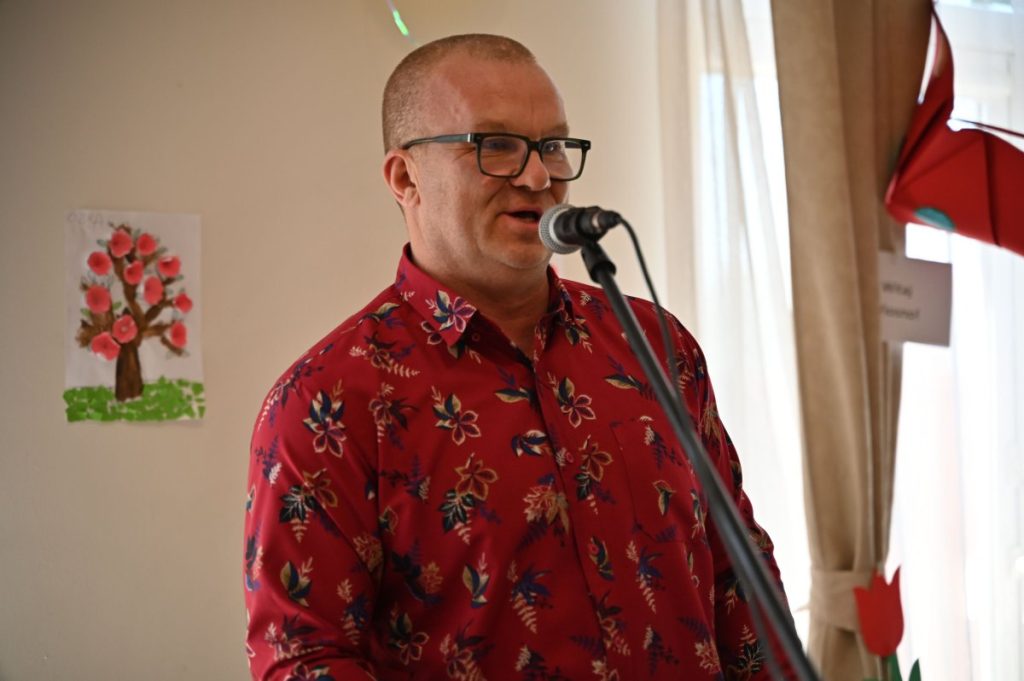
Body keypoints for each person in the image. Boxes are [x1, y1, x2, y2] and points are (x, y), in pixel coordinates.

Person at [243, 33, 788, 681]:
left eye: (552, 146)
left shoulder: (656, 345)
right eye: (495, 145)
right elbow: (305, 658)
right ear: (405, 177)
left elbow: (738, 572)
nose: (538, 177)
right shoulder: (327, 402)